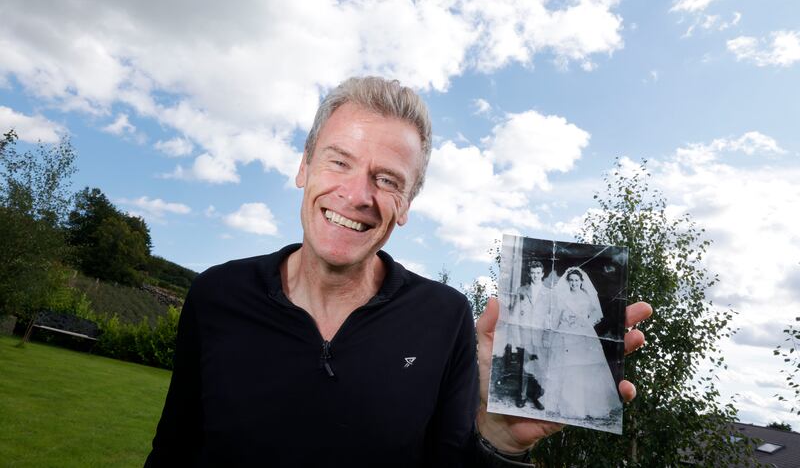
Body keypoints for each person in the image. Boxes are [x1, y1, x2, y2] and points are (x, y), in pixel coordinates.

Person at [145, 77, 652, 467]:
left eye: (387, 180)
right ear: (304, 167)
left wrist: (498, 441)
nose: (357, 195)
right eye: (339, 162)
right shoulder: (218, 295)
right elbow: (171, 454)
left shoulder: (444, 318)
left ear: (406, 203)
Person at [544, 267, 621, 424]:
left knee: (584, 368)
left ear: (581, 282)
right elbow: (558, 315)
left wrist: (584, 322)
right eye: (571, 280)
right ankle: (567, 406)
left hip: (583, 333)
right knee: (567, 366)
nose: (574, 283)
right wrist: (565, 323)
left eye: (576, 280)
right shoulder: (563, 297)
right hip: (566, 333)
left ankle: (588, 406)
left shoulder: (587, 297)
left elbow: (595, 314)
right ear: (568, 282)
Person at [504, 260, 550, 410]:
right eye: (533, 273)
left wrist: (547, 337)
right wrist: (516, 337)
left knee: (541, 368)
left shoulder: (548, 293)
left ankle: (538, 396)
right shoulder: (522, 290)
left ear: (542, 274)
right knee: (524, 367)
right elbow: (515, 314)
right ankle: (522, 396)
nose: (535, 275)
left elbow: (550, 318)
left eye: (538, 273)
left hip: (540, 336)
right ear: (529, 274)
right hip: (525, 334)